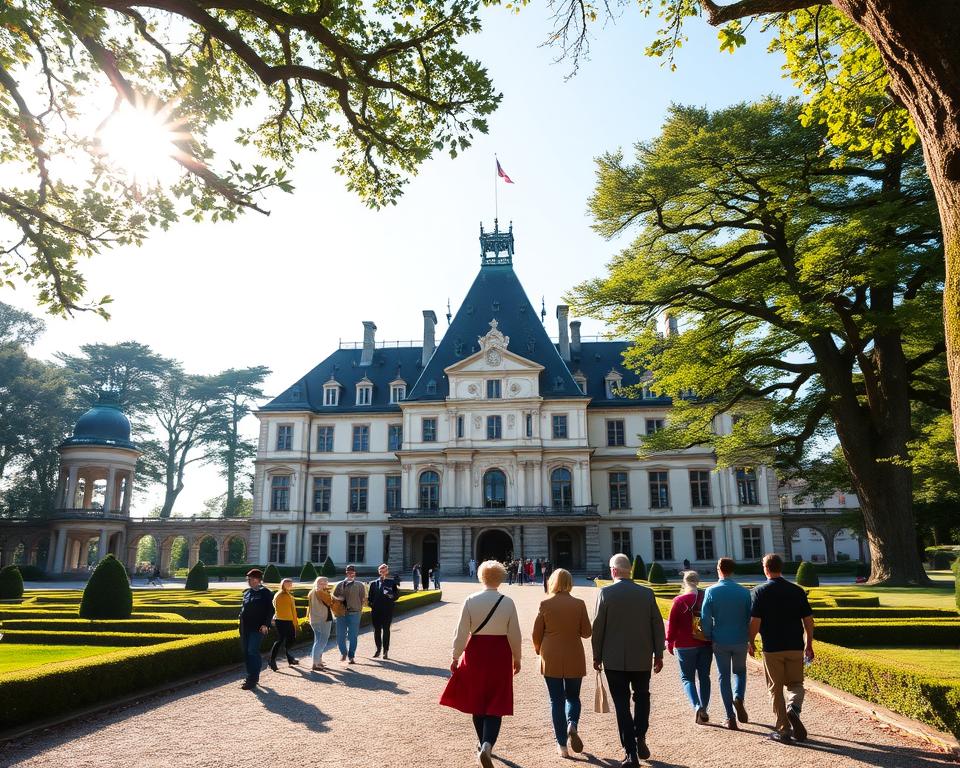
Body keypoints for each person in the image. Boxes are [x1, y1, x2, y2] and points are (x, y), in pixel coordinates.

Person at [441, 560, 521, 768]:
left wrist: (455, 656)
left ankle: (481, 742)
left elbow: (460, 633)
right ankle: (487, 744)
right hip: (500, 653)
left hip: (476, 651)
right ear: (501, 577)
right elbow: (515, 635)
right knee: (497, 701)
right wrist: (517, 658)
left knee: (478, 700)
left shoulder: (470, 600)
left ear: (481, 577)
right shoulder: (508, 602)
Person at [592, 553, 665, 767]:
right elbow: (657, 625)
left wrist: (597, 655)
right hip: (641, 656)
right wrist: (658, 654)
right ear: (630, 570)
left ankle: (630, 752)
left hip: (613, 659)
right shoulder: (646, 593)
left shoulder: (605, 593)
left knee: (622, 705)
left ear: (613, 571)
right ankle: (640, 735)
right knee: (642, 697)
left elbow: (598, 628)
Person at [749, 553, 815, 743]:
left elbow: (755, 621)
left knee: (775, 688)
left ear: (766, 568)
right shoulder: (797, 590)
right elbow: (809, 621)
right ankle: (793, 707)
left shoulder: (759, 591)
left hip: (772, 647)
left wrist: (751, 641)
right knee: (796, 684)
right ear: (781, 567)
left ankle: (784, 730)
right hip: (795, 646)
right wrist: (808, 643)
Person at [532, 568, 592, 758]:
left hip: (550, 654)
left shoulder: (545, 603)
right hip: (574, 653)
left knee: (556, 701)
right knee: (573, 697)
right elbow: (586, 633)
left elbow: (536, 634)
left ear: (552, 582)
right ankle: (572, 724)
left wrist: (538, 650)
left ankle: (562, 746)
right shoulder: (579, 604)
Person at [701, 557, 752, 729]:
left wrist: (708, 635)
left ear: (718, 569)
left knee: (723, 677)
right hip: (740, 639)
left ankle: (730, 717)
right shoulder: (744, 592)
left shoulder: (711, 591)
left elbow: (705, 618)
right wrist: (750, 639)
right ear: (732, 570)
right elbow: (749, 619)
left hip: (720, 640)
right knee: (740, 672)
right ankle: (739, 697)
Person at [666, 571, 712, 724]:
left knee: (687, 678)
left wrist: (670, 642)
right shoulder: (705, 597)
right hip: (705, 643)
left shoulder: (679, 601)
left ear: (684, 582)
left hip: (684, 645)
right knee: (704, 677)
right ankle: (704, 707)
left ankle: (696, 705)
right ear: (698, 581)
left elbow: (672, 625)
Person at [238, 568, 273, 690]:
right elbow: (244, 608)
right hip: (245, 627)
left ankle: (253, 677)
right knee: (246, 652)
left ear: (259, 580)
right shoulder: (247, 592)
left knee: (252, 650)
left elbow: (270, 610)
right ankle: (250, 675)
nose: (249, 581)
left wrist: (266, 624)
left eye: (252, 579)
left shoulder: (265, 592)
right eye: (248, 579)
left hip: (258, 627)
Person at [333, 564, 367, 664]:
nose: (350, 573)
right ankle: (343, 653)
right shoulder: (340, 584)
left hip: (355, 613)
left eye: (352, 572)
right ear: (346, 572)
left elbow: (362, 599)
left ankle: (351, 656)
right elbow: (333, 598)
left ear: (355, 573)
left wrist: (358, 609)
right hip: (341, 614)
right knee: (340, 635)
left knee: (353, 636)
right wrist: (339, 599)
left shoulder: (360, 585)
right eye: (348, 572)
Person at [369, 562, 400, 659]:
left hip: (387, 610)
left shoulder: (392, 582)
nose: (382, 572)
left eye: (384, 570)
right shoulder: (373, 583)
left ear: (387, 571)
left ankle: (385, 651)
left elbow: (397, 595)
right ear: (379, 572)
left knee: (386, 630)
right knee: (377, 631)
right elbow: (370, 597)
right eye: (381, 570)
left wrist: (392, 596)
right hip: (376, 611)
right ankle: (378, 649)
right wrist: (372, 604)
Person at [270, 577, 301, 671]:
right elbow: (275, 606)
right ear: (282, 584)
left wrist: (295, 622)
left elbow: (292, 610)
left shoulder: (288, 594)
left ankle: (289, 658)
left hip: (289, 620)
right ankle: (271, 660)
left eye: (290, 584)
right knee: (280, 640)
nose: (289, 585)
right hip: (281, 620)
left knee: (291, 639)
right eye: (287, 584)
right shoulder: (280, 595)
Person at [307, 575, 335, 670]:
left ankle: (318, 661)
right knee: (322, 641)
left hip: (316, 619)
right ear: (317, 583)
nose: (323, 584)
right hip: (322, 619)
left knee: (318, 641)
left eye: (325, 583)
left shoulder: (312, 592)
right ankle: (315, 663)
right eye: (321, 583)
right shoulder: (319, 592)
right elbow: (330, 602)